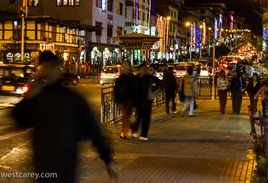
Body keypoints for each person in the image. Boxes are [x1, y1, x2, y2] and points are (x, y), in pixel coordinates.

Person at [12, 51, 118, 182]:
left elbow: (94, 129)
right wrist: (29, 94)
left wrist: (107, 158)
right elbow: (19, 119)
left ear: (58, 69)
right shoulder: (38, 98)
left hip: (64, 170)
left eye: (51, 67)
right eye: (45, 68)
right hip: (44, 170)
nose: (48, 71)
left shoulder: (73, 99)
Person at [131, 64, 160, 141]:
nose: (145, 70)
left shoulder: (150, 77)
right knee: (138, 117)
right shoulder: (136, 78)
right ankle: (134, 130)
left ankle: (143, 134)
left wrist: (153, 89)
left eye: (146, 69)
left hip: (147, 101)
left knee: (146, 119)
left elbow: (159, 82)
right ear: (139, 70)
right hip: (138, 101)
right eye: (143, 69)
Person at [114, 61, 136, 139]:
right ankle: (127, 130)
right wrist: (117, 99)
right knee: (125, 115)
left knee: (126, 116)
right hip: (121, 100)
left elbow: (135, 89)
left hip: (129, 100)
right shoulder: (121, 78)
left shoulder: (132, 77)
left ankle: (124, 132)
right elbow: (116, 89)